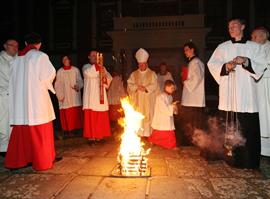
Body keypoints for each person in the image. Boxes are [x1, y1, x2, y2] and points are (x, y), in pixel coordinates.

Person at [208, 18, 266, 169]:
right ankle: (229, 159)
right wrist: (226, 66)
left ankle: (248, 161)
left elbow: (261, 65)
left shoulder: (254, 47)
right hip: (228, 95)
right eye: (229, 26)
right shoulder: (222, 47)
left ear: (243, 27)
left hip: (247, 97)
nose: (231, 28)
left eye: (234, 25)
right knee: (228, 128)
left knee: (247, 128)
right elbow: (212, 64)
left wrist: (246, 61)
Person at [5, 32, 58, 171]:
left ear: (26, 44)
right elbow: (49, 75)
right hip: (36, 102)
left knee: (21, 133)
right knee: (40, 131)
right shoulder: (40, 56)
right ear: (39, 44)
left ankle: (19, 161)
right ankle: (42, 162)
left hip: (20, 104)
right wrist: (48, 86)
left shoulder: (16, 59)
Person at [127, 48, 159, 137]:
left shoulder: (152, 74)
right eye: (140, 64)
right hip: (137, 101)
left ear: (146, 64)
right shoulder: (133, 74)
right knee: (138, 116)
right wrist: (137, 87)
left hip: (148, 100)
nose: (141, 66)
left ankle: (149, 135)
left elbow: (155, 85)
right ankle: (139, 134)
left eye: (143, 64)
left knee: (148, 116)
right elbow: (129, 84)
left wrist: (145, 88)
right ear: (138, 64)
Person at [82, 50, 112, 143]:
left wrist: (104, 78)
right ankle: (91, 137)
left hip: (100, 95)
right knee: (92, 116)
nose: (95, 57)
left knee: (100, 116)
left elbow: (109, 78)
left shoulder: (103, 67)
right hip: (91, 97)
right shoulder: (86, 67)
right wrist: (98, 66)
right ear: (89, 57)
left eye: (96, 56)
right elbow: (88, 74)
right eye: (93, 55)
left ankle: (99, 136)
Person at [181, 42, 205, 145]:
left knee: (193, 124)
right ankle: (190, 143)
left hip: (194, 100)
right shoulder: (191, 62)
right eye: (184, 50)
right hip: (190, 99)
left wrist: (185, 81)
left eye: (186, 50)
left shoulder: (196, 62)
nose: (185, 52)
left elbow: (197, 78)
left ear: (192, 50)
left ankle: (193, 144)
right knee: (189, 124)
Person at [251, 27, 270, 157]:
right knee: (260, 116)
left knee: (266, 115)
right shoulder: (255, 49)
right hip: (257, 86)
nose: (252, 40)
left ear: (263, 36)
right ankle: (262, 149)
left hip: (267, 85)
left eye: (254, 37)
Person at [54, 55, 83, 137]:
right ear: (62, 61)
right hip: (65, 96)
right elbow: (57, 84)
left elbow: (80, 80)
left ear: (69, 60)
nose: (65, 60)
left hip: (74, 95)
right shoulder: (60, 71)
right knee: (67, 113)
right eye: (63, 59)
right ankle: (68, 131)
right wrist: (60, 95)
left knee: (75, 113)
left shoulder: (75, 70)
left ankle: (77, 130)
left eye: (66, 59)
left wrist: (78, 86)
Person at [0, 39, 18, 156]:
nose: (15, 48)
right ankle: (3, 149)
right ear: (5, 46)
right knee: (4, 123)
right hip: (4, 96)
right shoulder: (1, 60)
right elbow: (9, 77)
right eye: (12, 46)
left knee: (14, 123)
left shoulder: (18, 59)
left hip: (15, 96)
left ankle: (13, 147)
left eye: (17, 46)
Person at [149, 80, 178, 149]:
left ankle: (169, 144)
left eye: (173, 88)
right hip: (161, 118)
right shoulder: (160, 97)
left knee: (168, 132)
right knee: (159, 131)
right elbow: (163, 108)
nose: (173, 90)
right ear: (166, 87)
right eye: (172, 88)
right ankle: (170, 145)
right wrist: (172, 106)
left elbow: (170, 107)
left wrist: (174, 108)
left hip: (167, 118)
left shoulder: (170, 97)